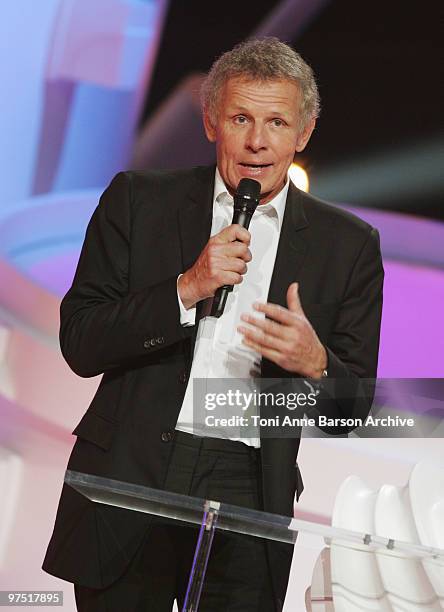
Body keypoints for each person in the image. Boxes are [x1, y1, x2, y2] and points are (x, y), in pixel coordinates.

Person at [43, 37, 384, 611]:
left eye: (277, 122)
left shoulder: (347, 245)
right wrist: (185, 289)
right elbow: (81, 342)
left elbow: (352, 410)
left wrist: (315, 363)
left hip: (251, 483)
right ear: (210, 122)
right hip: (134, 469)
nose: (257, 141)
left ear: (303, 134)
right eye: (241, 118)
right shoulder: (137, 200)